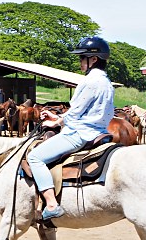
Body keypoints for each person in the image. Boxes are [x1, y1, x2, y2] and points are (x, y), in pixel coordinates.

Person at [26, 37, 115, 221]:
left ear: (94, 59)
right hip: (98, 131)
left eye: (82, 58)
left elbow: (75, 114)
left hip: (79, 134)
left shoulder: (89, 81)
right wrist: (58, 117)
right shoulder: (107, 83)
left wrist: (55, 123)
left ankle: (51, 204)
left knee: (34, 157)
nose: (80, 62)